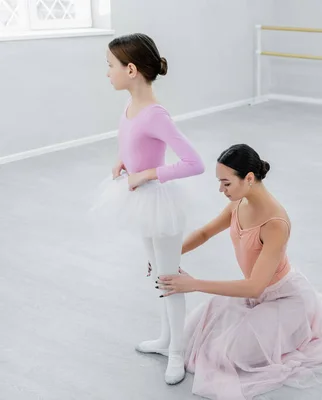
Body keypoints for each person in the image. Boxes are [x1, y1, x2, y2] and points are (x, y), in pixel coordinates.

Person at [155, 144, 322, 399]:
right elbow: (204, 233)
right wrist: (167, 257)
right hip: (253, 292)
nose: (220, 190)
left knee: (225, 355)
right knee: (195, 331)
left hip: (283, 298)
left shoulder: (275, 223)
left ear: (248, 178)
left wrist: (193, 283)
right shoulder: (238, 204)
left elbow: (255, 287)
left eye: (226, 183)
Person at [90, 33, 205, 385]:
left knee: (170, 279)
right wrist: (123, 160)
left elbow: (194, 163)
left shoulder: (157, 114)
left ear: (131, 69)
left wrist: (150, 172)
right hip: (140, 200)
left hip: (160, 201)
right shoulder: (128, 106)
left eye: (110, 66)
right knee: (158, 271)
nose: (106, 73)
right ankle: (166, 338)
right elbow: (131, 140)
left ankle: (177, 353)